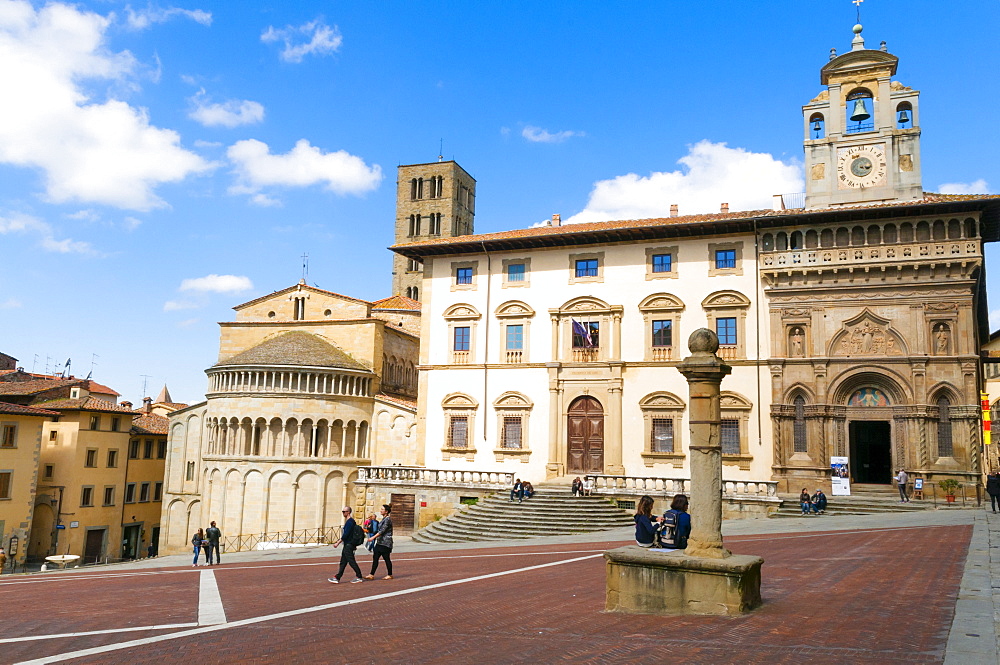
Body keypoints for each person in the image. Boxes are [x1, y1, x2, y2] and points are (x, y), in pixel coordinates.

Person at [329, 506, 364, 584]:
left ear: (348, 512)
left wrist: (338, 543)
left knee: (351, 561)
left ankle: (359, 576)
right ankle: (337, 577)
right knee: (343, 562)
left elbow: (346, 534)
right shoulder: (350, 521)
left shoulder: (350, 522)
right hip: (348, 544)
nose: (343, 513)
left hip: (349, 544)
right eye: (342, 511)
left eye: (344, 511)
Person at [365, 504, 394, 580]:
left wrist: (373, 537)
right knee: (375, 557)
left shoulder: (387, 519)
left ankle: (390, 574)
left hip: (386, 542)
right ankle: (371, 574)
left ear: (386, 511)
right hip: (380, 542)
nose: (380, 510)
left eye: (382, 509)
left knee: (386, 558)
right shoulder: (383, 519)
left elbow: (382, 531)